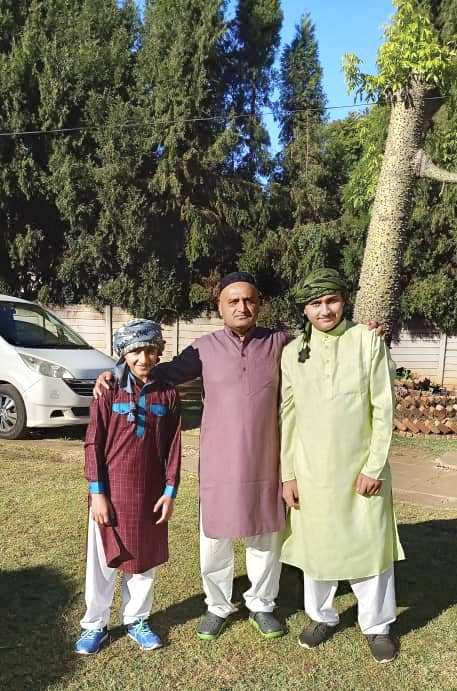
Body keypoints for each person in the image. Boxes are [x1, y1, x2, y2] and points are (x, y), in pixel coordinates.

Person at [94, 271, 382, 642]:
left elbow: (326, 340)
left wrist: (360, 331)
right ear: (220, 307)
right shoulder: (204, 348)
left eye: (249, 300)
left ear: (259, 304)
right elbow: (156, 371)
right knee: (215, 541)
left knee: (265, 537)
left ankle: (262, 604)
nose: (242, 307)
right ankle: (217, 606)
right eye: (233, 301)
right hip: (219, 463)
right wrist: (114, 371)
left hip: (266, 460)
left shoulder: (280, 343)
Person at [280, 268, 404, 664]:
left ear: (343, 300)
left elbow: (383, 408)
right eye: (315, 303)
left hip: (361, 469)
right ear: (304, 309)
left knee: (369, 546)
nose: (324, 310)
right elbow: (288, 416)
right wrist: (288, 474)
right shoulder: (292, 352)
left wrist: (374, 466)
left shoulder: (367, 340)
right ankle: (321, 616)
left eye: (331, 300)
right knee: (316, 547)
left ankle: (377, 625)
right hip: (311, 472)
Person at [75, 319, 181, 655]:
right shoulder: (108, 390)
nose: (143, 358)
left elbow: (174, 447)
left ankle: (137, 619)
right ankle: (95, 624)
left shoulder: (167, 392)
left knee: (144, 561)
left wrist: (169, 491)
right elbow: (93, 443)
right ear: (123, 354)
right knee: (102, 563)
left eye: (150, 350)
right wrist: (98, 493)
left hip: (150, 494)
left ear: (159, 352)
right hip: (110, 493)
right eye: (135, 351)